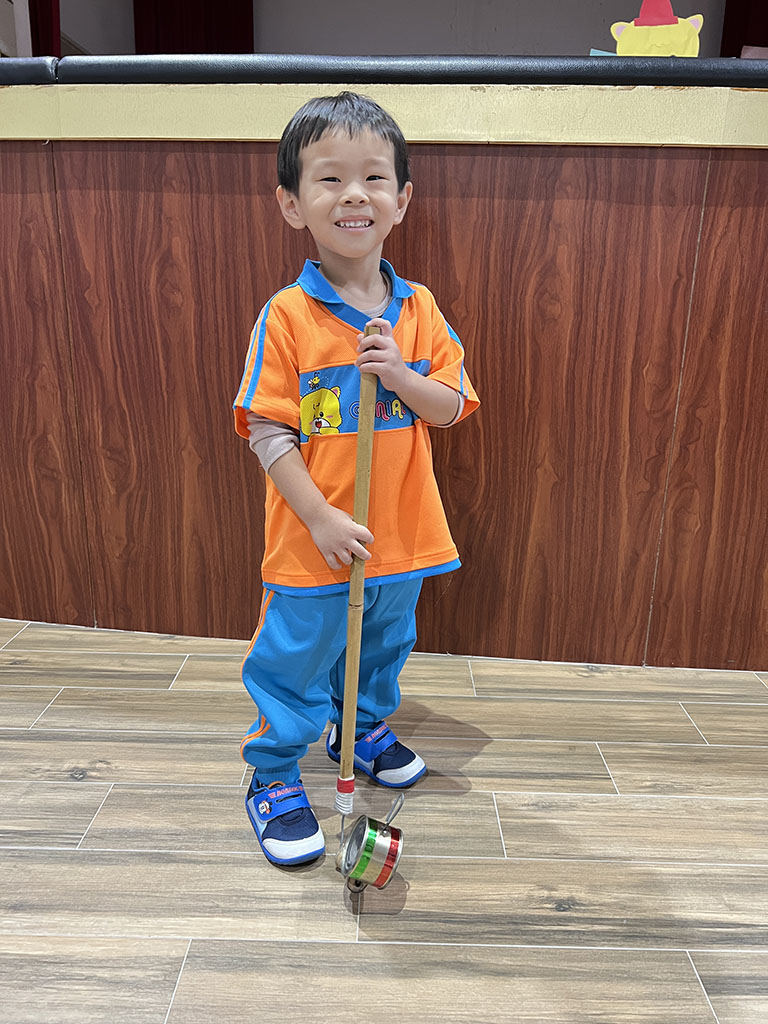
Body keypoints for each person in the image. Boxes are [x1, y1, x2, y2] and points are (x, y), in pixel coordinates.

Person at [232, 91, 479, 867]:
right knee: (297, 656)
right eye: (330, 179)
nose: (354, 195)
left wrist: (400, 374)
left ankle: (361, 727)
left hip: (401, 539)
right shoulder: (286, 317)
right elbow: (267, 431)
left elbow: (451, 406)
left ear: (401, 200)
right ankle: (274, 771)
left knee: (381, 647)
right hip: (315, 547)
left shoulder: (419, 310)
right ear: (291, 204)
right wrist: (320, 519)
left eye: (374, 178)